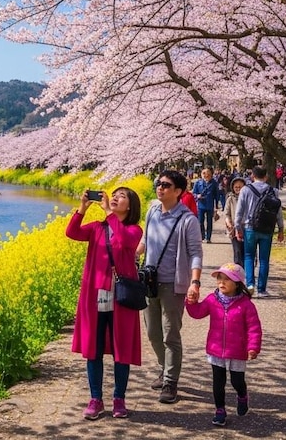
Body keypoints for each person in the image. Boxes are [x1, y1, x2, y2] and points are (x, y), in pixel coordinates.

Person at [66, 187, 144, 419]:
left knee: (122, 347)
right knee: (94, 347)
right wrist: (83, 208)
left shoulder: (134, 229)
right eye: (115, 195)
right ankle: (96, 398)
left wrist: (109, 212)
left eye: (122, 197)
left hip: (122, 296)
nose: (116, 198)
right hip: (98, 295)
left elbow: (125, 240)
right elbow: (72, 232)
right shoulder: (97, 228)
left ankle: (119, 399)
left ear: (130, 206)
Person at [137, 169, 204, 404]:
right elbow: (145, 239)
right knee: (152, 332)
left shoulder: (188, 220)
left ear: (178, 191)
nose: (160, 187)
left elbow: (196, 253)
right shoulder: (152, 210)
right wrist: (131, 254)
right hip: (149, 281)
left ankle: (170, 381)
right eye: (159, 183)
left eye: (166, 185)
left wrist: (195, 282)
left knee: (170, 334)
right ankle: (164, 368)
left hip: (173, 284)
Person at [186, 262, 262, 427]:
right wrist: (191, 302)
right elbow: (198, 313)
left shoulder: (246, 305)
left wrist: (253, 347)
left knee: (237, 381)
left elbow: (254, 328)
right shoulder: (212, 300)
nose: (222, 282)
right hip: (216, 349)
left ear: (237, 283)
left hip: (237, 350)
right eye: (219, 278)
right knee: (218, 381)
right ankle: (220, 410)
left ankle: (242, 396)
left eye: (227, 279)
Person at [234, 166, 284, 297]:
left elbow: (239, 211)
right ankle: (262, 290)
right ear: (266, 176)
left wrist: (237, 227)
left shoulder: (245, 190)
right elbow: (278, 212)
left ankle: (250, 285)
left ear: (252, 176)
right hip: (267, 228)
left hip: (250, 227)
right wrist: (281, 229)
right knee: (264, 259)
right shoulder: (273, 191)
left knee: (249, 256)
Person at [223, 177, 247, 267]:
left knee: (246, 250)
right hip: (233, 229)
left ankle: (246, 269)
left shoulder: (248, 198)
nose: (238, 189)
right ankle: (238, 270)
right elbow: (227, 213)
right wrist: (228, 222)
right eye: (236, 187)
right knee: (237, 251)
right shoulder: (230, 198)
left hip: (246, 228)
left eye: (240, 187)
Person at [192, 168, 220, 243]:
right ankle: (202, 236)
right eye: (204, 173)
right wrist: (197, 196)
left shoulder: (214, 183)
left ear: (211, 174)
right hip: (201, 204)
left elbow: (217, 194)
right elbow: (193, 193)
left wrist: (216, 206)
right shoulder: (198, 182)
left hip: (210, 204)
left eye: (207, 173)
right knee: (200, 221)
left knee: (209, 221)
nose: (206, 175)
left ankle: (208, 237)